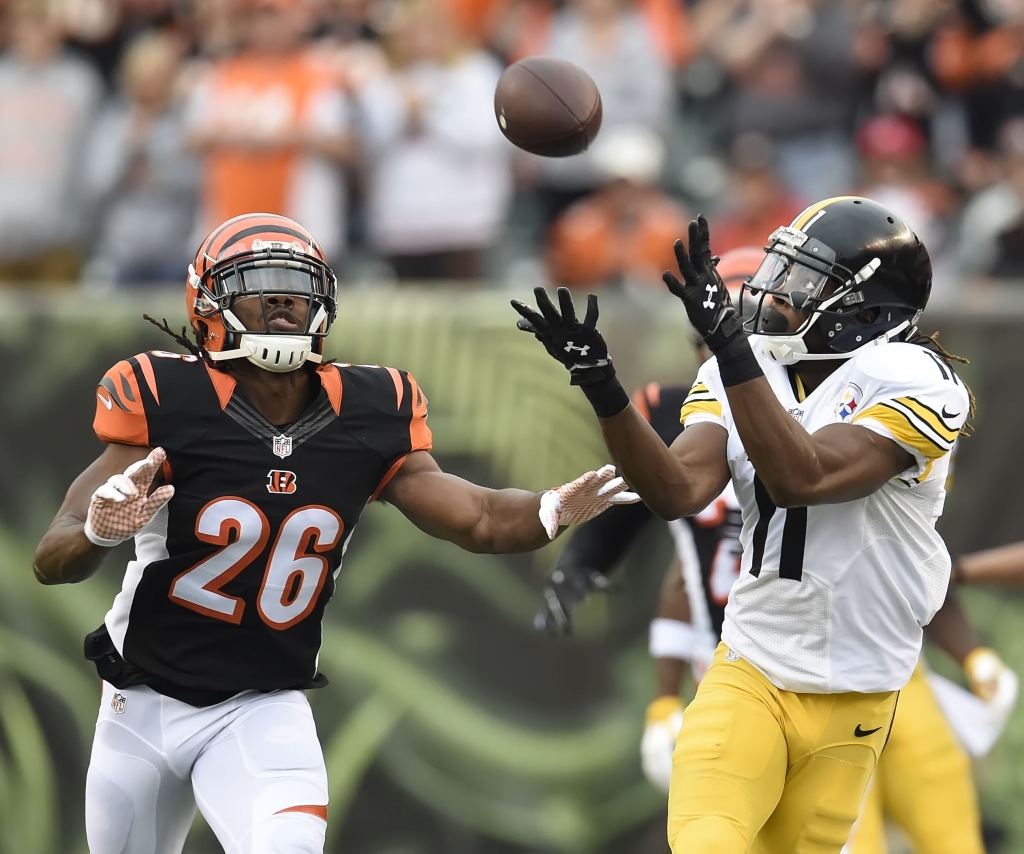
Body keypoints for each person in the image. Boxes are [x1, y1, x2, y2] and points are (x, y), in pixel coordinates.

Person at [31, 212, 638, 854]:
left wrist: (548, 510)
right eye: (260, 284)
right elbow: (52, 557)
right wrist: (98, 533)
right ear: (210, 301)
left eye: (297, 287)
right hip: (142, 708)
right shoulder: (167, 397)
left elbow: (480, 518)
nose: (285, 302)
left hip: (262, 705)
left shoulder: (368, 410)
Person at [512, 195, 971, 853]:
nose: (780, 293)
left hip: (862, 689)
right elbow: (676, 491)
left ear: (866, 312)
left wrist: (733, 350)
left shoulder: (917, 380)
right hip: (752, 664)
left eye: (808, 281)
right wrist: (603, 384)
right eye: (784, 271)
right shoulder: (737, 368)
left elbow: (803, 477)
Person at [184, 0, 353, 261]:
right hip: (228, 233)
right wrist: (237, 137)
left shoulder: (321, 73)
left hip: (301, 230)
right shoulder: (221, 74)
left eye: (275, 18)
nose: (267, 27)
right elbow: (191, 138)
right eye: (259, 19)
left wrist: (282, 137)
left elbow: (345, 145)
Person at [81, 32, 200, 285]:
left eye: (157, 77)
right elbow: (96, 186)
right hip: (120, 253)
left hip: (175, 253)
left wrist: (154, 152)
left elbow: (197, 183)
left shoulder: (186, 122)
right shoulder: (113, 121)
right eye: (143, 77)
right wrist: (128, 147)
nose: (149, 85)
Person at [0, 0, 103, 284]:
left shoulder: (81, 83)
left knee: (61, 327)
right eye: (25, 26)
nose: (33, 35)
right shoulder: (2, 80)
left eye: (40, 25)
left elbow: (94, 161)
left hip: (61, 240)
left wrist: (83, 225)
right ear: (12, 30)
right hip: (3, 237)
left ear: (56, 30)